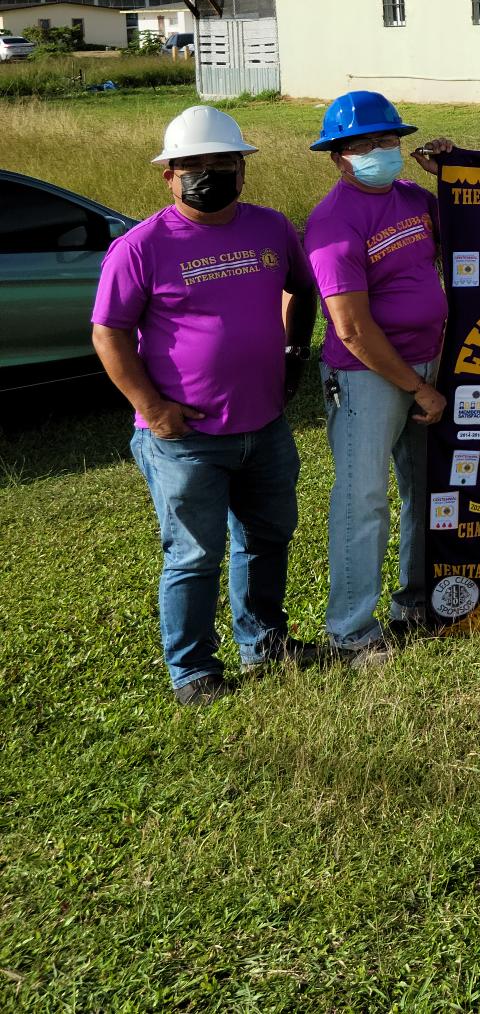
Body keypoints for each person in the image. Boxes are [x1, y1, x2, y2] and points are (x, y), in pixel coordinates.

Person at [91, 106, 317, 705]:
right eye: (193, 165)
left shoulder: (271, 229)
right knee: (194, 555)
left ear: (244, 171)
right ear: (168, 175)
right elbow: (108, 333)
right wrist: (153, 407)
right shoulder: (141, 247)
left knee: (268, 539)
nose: (208, 174)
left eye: (223, 163)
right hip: (185, 438)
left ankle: (265, 644)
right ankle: (193, 670)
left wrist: (295, 355)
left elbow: (304, 288)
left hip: (263, 425)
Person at [303, 91, 453, 663]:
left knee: (425, 488)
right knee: (363, 499)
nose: (379, 152)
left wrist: (452, 178)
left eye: (387, 140)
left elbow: (475, 227)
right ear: (338, 157)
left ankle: (414, 602)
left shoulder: (413, 199)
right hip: (369, 377)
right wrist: (418, 388)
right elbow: (352, 329)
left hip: (427, 362)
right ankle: (350, 631)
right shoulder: (333, 223)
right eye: (363, 144)